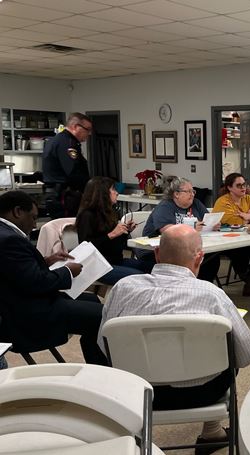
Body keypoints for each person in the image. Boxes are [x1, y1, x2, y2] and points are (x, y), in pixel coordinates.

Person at [99, 224, 250, 448]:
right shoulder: (213, 295)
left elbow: (104, 344)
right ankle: (212, 432)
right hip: (202, 393)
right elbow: (248, 354)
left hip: (137, 393)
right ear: (199, 258)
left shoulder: (122, 288)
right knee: (230, 350)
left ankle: (135, 442)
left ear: (156, 254)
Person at [0, 191, 106, 365]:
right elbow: (35, 282)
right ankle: (100, 368)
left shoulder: (6, 234)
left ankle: (94, 356)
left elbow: (18, 272)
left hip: (23, 301)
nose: (34, 225)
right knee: (102, 316)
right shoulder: (9, 239)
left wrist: (47, 261)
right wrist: (68, 272)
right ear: (17, 212)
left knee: (93, 299)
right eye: (33, 218)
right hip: (26, 313)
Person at [140, 176, 220, 283]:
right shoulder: (165, 206)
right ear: (176, 194)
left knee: (212, 257)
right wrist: (191, 228)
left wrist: (213, 224)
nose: (192, 194)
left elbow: (206, 220)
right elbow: (166, 230)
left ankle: (201, 286)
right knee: (194, 257)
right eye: (188, 191)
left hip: (188, 246)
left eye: (193, 191)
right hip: (158, 250)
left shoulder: (196, 203)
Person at [75, 176, 152, 285]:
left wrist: (125, 231)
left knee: (153, 268)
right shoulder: (87, 215)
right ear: (102, 194)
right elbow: (85, 246)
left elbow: (116, 246)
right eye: (113, 190)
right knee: (140, 277)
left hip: (115, 261)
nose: (117, 193)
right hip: (97, 266)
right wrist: (111, 234)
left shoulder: (109, 213)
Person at [212, 173, 250, 296]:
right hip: (225, 240)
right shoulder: (223, 202)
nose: (243, 188)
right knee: (241, 252)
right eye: (238, 185)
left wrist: (246, 215)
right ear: (229, 187)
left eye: (244, 184)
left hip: (245, 237)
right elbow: (236, 222)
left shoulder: (248, 198)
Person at [42, 112, 92, 218]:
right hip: (64, 196)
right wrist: (89, 190)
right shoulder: (67, 143)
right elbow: (73, 171)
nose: (89, 133)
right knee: (68, 229)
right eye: (87, 129)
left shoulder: (57, 140)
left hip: (56, 193)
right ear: (75, 127)